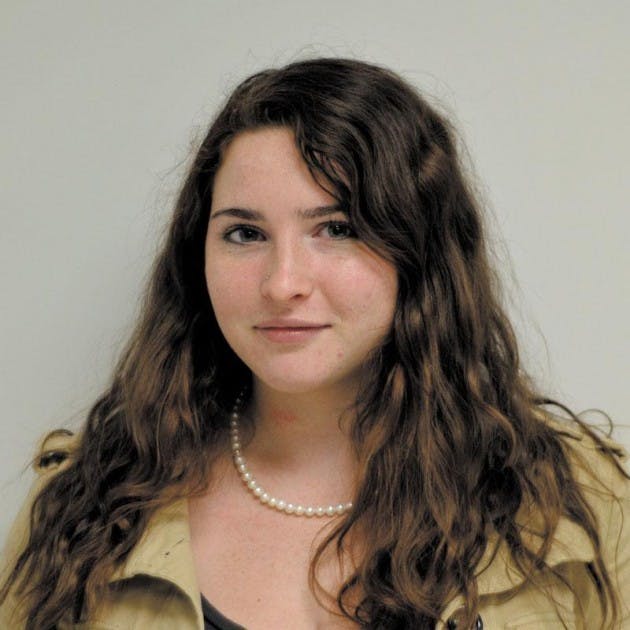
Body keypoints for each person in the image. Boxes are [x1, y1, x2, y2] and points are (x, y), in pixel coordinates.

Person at [0, 57, 628, 630]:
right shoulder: (87, 501)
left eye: (337, 228)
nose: (283, 284)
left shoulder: (583, 502)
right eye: (245, 234)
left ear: (421, 251)